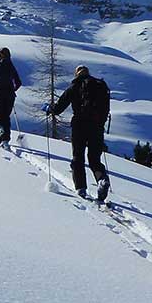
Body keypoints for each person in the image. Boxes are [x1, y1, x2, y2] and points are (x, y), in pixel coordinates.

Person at [47, 65, 111, 202]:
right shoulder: (100, 86)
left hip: (79, 126)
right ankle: (102, 180)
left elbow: (59, 108)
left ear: (77, 74)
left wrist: (49, 109)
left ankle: (81, 188)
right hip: (97, 127)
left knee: (78, 157)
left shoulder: (74, 86)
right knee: (94, 159)